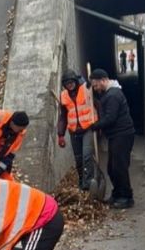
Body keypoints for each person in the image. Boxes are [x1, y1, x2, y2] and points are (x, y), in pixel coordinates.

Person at [89, 68, 135, 209]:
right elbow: (103, 105)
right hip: (116, 135)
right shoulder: (109, 93)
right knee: (111, 168)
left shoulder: (113, 95)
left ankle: (126, 197)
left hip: (122, 135)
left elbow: (110, 118)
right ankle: (117, 194)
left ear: (103, 80)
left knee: (119, 167)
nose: (95, 88)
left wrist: (94, 126)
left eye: (96, 85)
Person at [57, 69, 96, 191]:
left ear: (75, 81)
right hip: (74, 132)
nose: (70, 85)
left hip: (88, 128)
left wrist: (100, 125)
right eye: (67, 83)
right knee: (78, 158)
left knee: (87, 156)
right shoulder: (63, 96)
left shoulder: (86, 89)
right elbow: (63, 117)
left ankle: (89, 182)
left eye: (71, 82)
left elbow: (97, 103)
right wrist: (60, 135)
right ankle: (82, 181)